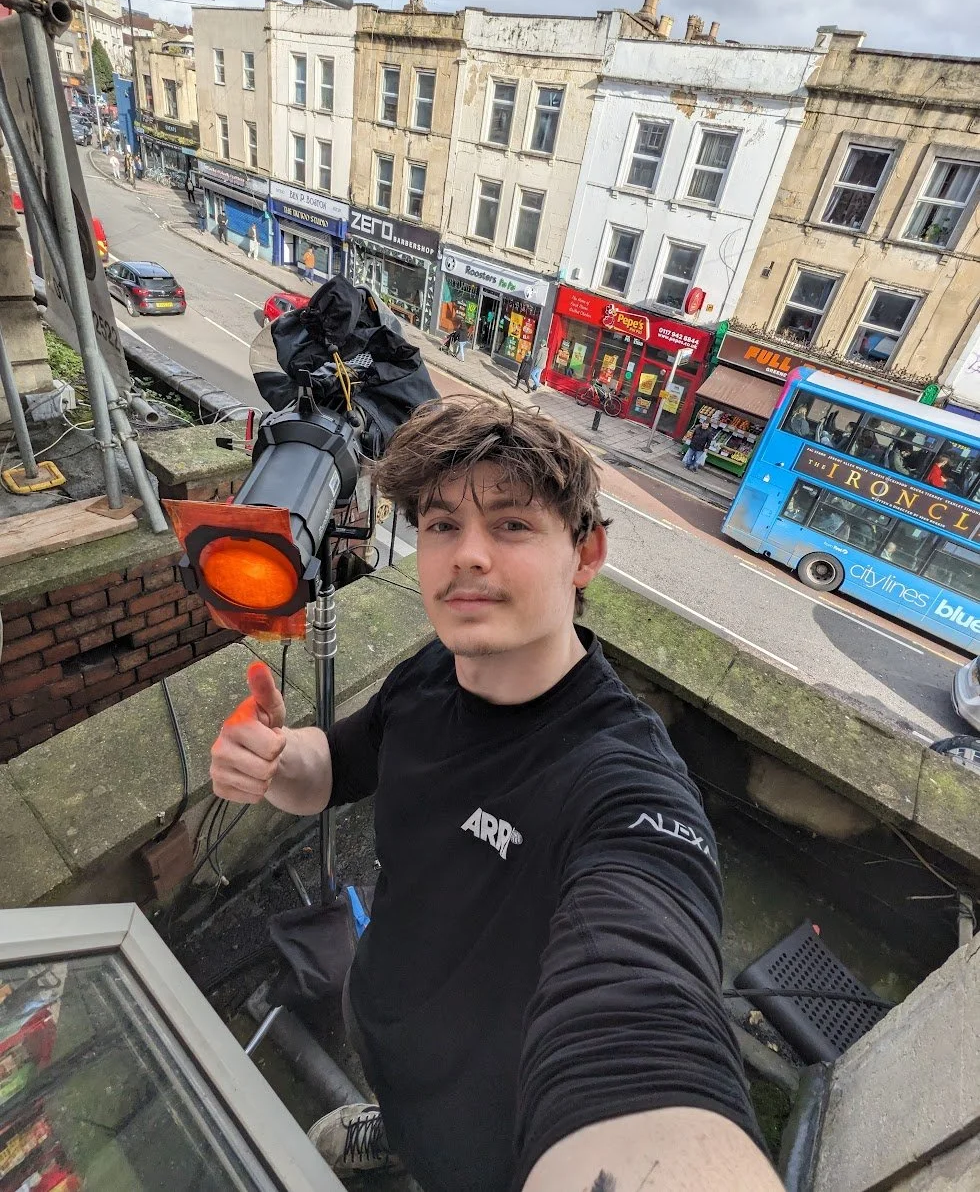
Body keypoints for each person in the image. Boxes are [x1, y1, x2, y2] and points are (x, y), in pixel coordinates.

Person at [210, 398, 774, 1192]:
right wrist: (275, 759)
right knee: (403, 1110)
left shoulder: (625, 788)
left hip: (497, 1141)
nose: (468, 555)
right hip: (387, 1025)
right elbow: (335, 766)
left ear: (585, 552)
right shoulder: (429, 673)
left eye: (511, 524)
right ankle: (392, 1128)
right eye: (442, 525)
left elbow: (642, 1003)